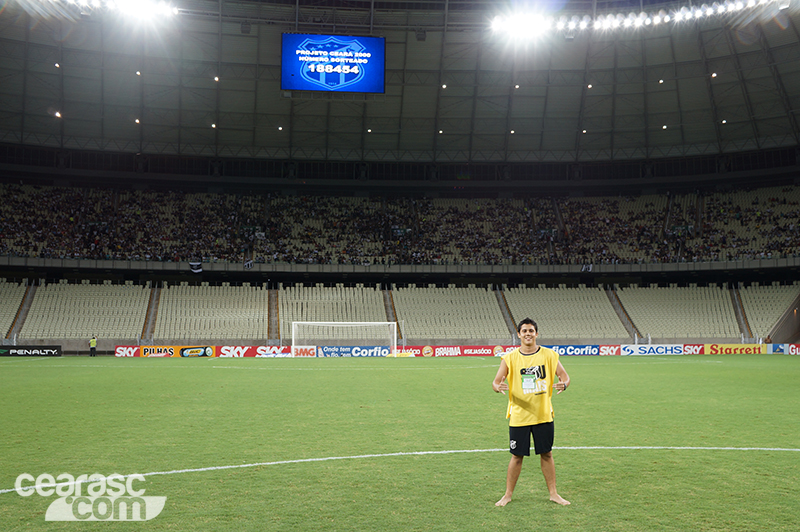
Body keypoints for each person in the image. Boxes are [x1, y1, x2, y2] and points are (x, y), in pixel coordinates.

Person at [492, 318, 570, 506]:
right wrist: (497, 387)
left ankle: (553, 493)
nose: (528, 334)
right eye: (524, 331)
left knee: (547, 453)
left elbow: (565, 377)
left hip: (543, 414)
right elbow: (496, 381)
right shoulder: (510, 358)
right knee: (517, 456)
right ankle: (508, 495)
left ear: (536, 333)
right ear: (519, 334)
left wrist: (564, 384)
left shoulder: (550, 355)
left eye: (531, 331)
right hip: (519, 415)